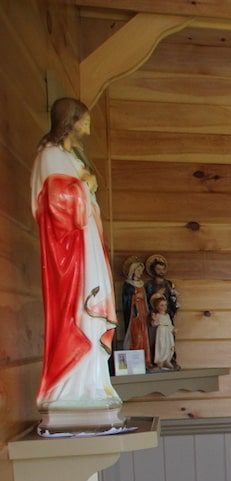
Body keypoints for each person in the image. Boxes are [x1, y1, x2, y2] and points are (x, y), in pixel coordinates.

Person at [31, 96, 122, 429]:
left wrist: (87, 185)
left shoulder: (71, 156)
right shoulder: (50, 156)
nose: (89, 124)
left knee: (93, 311)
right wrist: (83, 186)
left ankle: (94, 383)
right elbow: (54, 203)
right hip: (69, 254)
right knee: (78, 311)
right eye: (84, 119)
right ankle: (70, 386)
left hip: (88, 245)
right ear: (69, 121)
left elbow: (83, 195)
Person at [121, 255, 151, 363]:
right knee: (136, 334)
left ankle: (144, 359)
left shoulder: (141, 284)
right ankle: (134, 357)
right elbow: (125, 300)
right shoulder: (128, 284)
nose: (140, 273)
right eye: (138, 270)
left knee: (143, 333)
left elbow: (145, 298)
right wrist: (134, 297)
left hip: (142, 311)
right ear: (133, 271)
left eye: (141, 271)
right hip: (133, 313)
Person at [150, 294, 176, 370]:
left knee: (169, 346)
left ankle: (167, 360)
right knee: (162, 346)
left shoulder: (167, 315)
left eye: (165, 305)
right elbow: (153, 324)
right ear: (156, 307)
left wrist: (173, 329)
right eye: (161, 305)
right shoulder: (157, 315)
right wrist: (154, 319)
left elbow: (170, 324)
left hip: (168, 333)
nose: (164, 307)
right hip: (161, 332)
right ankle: (160, 361)